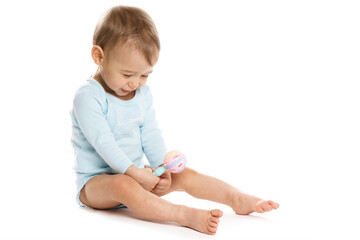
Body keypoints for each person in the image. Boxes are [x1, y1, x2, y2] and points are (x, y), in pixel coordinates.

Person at [70, 5, 279, 235]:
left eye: (144, 75)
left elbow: (150, 132)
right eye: (127, 74)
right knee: (123, 184)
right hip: (96, 185)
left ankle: (236, 198)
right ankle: (184, 215)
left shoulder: (141, 94)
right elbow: (104, 143)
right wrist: (135, 173)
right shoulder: (88, 97)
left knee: (183, 174)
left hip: (137, 174)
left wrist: (162, 167)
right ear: (99, 56)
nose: (135, 83)